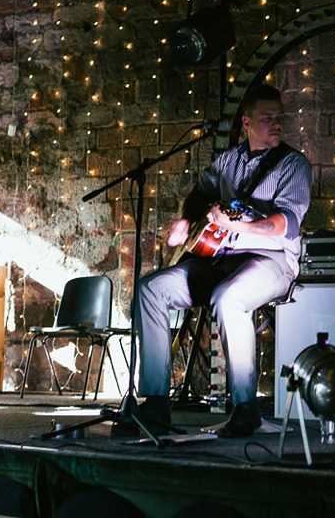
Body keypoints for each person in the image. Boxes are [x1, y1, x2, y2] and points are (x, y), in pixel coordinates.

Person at [120, 83, 313, 438]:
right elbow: (198, 196)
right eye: (267, 117)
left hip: (270, 260)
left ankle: (245, 408)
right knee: (151, 289)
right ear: (246, 122)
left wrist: (246, 224)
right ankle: (157, 404)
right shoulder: (227, 161)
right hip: (218, 258)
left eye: (280, 117)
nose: (276, 124)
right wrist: (185, 221)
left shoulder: (293, 164)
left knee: (230, 298)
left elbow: (287, 223)